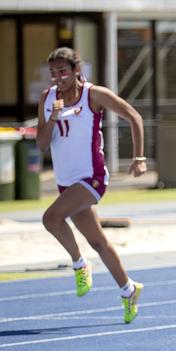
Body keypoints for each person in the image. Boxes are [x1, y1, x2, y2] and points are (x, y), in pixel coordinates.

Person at [36, 47, 146, 324]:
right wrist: (52, 118)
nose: (58, 77)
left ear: (76, 71)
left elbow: (134, 116)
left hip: (92, 178)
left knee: (51, 218)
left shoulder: (93, 95)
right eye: (53, 73)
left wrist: (139, 157)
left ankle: (79, 264)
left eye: (63, 71)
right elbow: (41, 143)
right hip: (65, 181)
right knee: (97, 241)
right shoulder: (47, 99)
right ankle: (129, 289)